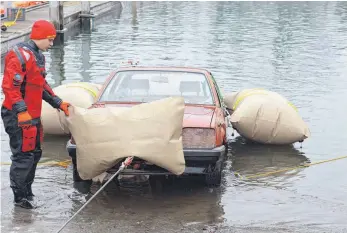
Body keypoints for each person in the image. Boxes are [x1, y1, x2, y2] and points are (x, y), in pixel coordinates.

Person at [1, 20, 70, 209]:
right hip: (18, 115)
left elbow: (40, 85)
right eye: (50, 39)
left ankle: (27, 191)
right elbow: (9, 87)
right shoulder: (19, 56)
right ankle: (20, 198)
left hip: (32, 114)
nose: (52, 43)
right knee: (23, 156)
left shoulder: (38, 56)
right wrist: (21, 112)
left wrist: (58, 102)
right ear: (39, 37)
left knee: (35, 154)